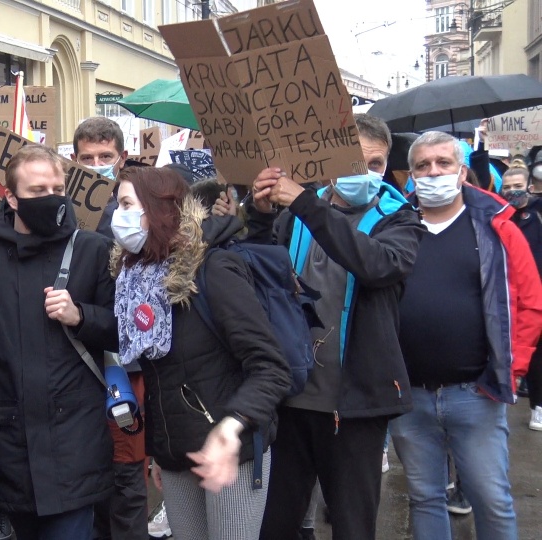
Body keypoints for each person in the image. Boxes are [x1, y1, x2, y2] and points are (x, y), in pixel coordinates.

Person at [247, 114, 425, 540]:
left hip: (355, 406)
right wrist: (258, 214)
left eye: (376, 164)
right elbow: (257, 265)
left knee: (351, 524)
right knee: (275, 523)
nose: (364, 174)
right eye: (353, 162)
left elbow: (375, 264)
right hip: (291, 400)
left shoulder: (399, 220)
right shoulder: (295, 213)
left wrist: (307, 205)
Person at [111, 166, 290, 540]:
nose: (118, 215)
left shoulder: (214, 269)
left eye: (127, 204)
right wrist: (160, 449)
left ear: (159, 210)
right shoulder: (137, 279)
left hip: (232, 452)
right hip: (178, 457)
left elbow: (270, 367)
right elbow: (161, 374)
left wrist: (232, 426)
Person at [0, 145, 117, 540]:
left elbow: (124, 332)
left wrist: (82, 316)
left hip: (75, 446)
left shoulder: (92, 249)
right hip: (5, 451)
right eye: (38, 190)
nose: (51, 198)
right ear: (11, 197)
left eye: (58, 188)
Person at [391, 131, 542, 540]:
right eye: (422, 165)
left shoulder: (497, 226)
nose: (433, 171)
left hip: (477, 394)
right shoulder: (395, 225)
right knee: (425, 498)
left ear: (462, 171)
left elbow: (530, 302)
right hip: (409, 396)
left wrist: (512, 370)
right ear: (410, 175)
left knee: (491, 499)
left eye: (443, 162)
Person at [71, 116, 148, 540]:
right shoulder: (63, 214)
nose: (96, 163)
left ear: (119, 159)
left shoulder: (133, 215)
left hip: (127, 368)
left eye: (104, 156)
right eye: (87, 157)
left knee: (126, 478)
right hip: (79, 367)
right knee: (92, 477)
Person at [500, 167, 542, 430]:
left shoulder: (537, 215)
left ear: (529, 186)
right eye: (507, 187)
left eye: (517, 185)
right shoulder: (501, 217)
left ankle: (538, 405)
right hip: (509, 296)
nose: (511, 191)